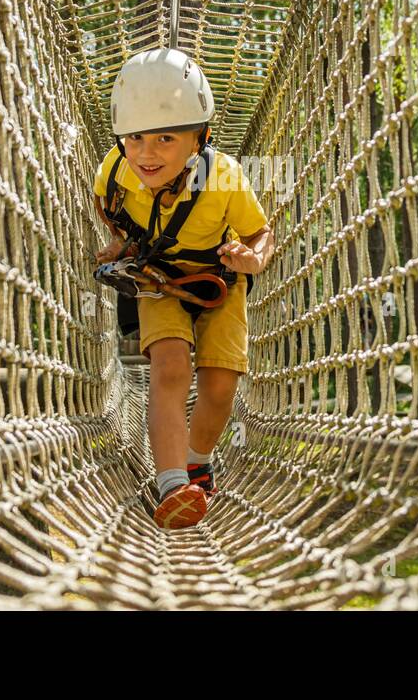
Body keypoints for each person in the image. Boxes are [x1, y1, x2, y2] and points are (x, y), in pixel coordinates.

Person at [93, 47, 274, 529]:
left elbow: (259, 232)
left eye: (166, 138)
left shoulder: (224, 178)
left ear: (199, 139)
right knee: (171, 365)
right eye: (135, 138)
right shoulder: (114, 172)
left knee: (220, 385)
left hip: (219, 279)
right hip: (160, 280)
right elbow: (109, 209)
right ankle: (173, 483)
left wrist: (252, 256)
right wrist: (120, 243)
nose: (147, 154)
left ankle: (197, 460)